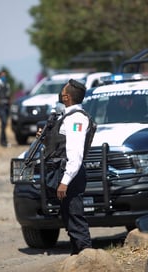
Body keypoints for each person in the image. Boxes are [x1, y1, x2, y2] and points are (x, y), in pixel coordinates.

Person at [41, 79, 93, 255]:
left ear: (66, 97)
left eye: (63, 91)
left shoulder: (76, 118)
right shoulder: (66, 116)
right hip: (64, 173)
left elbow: (75, 154)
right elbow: (59, 144)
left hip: (70, 174)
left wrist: (65, 181)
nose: (60, 94)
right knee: (69, 218)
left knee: (75, 216)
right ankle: (77, 254)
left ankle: (87, 256)